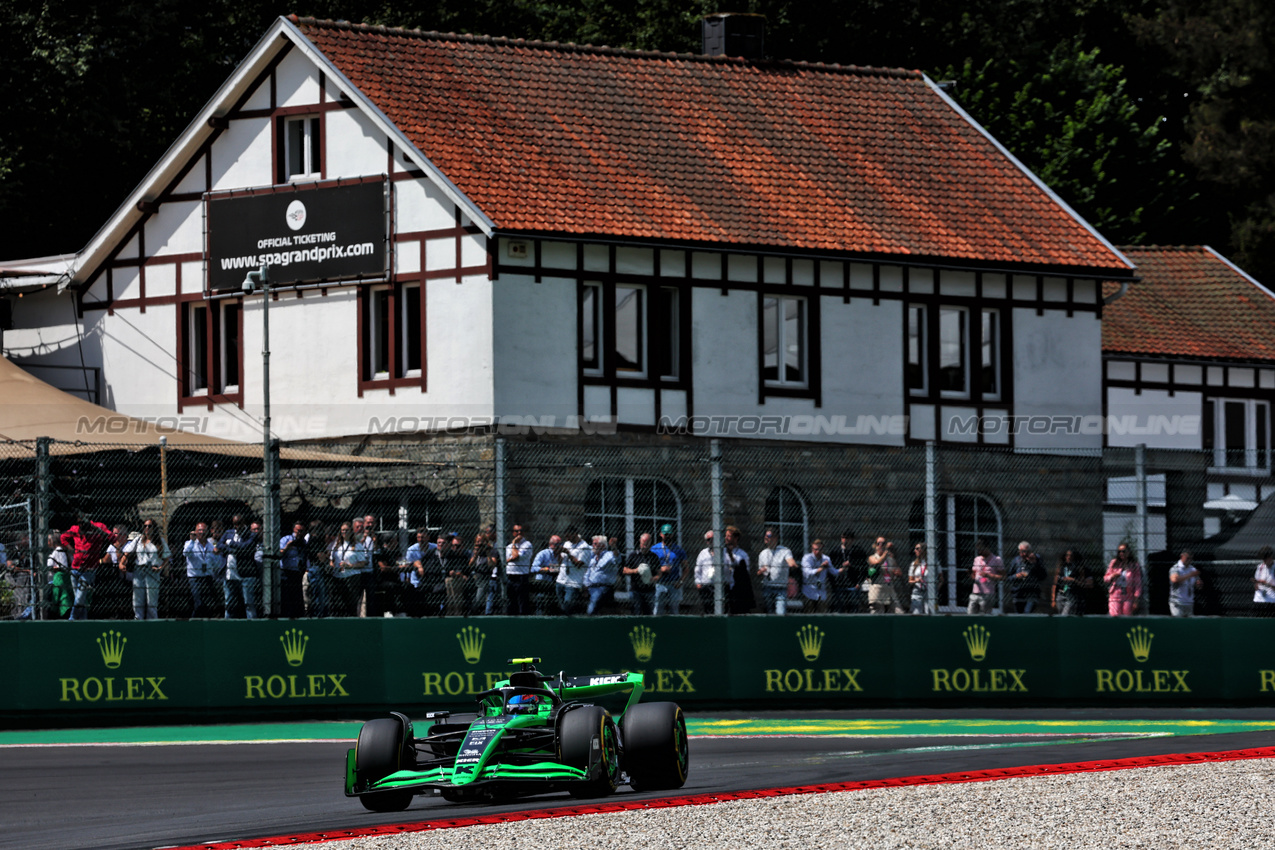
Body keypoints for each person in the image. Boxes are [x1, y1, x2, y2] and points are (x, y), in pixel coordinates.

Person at [61, 513, 112, 621]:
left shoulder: (98, 527)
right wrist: (72, 550)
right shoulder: (75, 529)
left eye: (83, 523)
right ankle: (84, 620)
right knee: (80, 600)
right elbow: (63, 537)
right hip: (75, 569)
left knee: (79, 599)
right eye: (79, 523)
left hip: (88, 571)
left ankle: (72, 619)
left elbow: (111, 537)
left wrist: (95, 528)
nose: (80, 525)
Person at [123, 520, 168, 620]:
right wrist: (122, 562)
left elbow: (167, 557)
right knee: (138, 599)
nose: (147, 528)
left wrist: (160, 568)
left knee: (151, 600)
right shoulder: (139, 539)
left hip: (152, 571)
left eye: (150, 526)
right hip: (139, 569)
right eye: (145, 526)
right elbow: (127, 551)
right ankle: (138, 619)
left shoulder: (159, 541)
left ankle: (152, 621)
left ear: (154, 528)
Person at [757, 528, 798, 615]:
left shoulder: (784, 551)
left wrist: (792, 564)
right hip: (767, 587)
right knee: (769, 613)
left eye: (769, 536)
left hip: (781, 588)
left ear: (775, 538)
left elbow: (790, 561)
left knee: (780, 613)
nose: (766, 538)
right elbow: (759, 572)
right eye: (765, 536)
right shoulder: (762, 553)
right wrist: (761, 571)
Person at [330, 522, 368, 617]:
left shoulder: (357, 545)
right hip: (338, 577)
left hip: (352, 577)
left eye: (347, 530)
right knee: (339, 604)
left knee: (351, 604)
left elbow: (362, 563)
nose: (344, 532)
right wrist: (333, 566)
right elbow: (331, 560)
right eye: (343, 530)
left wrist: (350, 566)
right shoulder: (336, 545)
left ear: (351, 532)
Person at [182, 522, 217, 619]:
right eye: (199, 530)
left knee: (208, 603)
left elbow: (215, 558)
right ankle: (194, 622)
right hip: (195, 578)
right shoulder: (189, 543)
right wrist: (192, 541)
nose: (201, 532)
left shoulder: (211, 545)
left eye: (204, 530)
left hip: (208, 577)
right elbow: (186, 553)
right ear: (195, 532)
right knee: (198, 603)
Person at [650, 524, 686, 616]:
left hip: (673, 583)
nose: (667, 536)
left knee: (674, 610)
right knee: (658, 610)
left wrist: (681, 581)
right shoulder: (655, 549)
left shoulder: (678, 550)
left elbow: (686, 568)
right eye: (665, 534)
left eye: (669, 534)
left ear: (672, 535)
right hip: (660, 583)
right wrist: (660, 569)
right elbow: (649, 566)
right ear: (661, 534)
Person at [219, 516, 251, 619]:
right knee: (229, 602)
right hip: (229, 573)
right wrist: (232, 550)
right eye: (235, 524)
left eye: (238, 524)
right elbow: (219, 545)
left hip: (244, 573)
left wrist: (229, 543)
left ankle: (251, 624)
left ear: (244, 523)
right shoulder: (229, 533)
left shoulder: (250, 534)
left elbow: (245, 547)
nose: (236, 527)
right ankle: (228, 623)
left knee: (248, 603)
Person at [827, 530, 865, 613]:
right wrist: (833, 584)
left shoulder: (858, 551)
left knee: (853, 610)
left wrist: (859, 583)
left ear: (852, 539)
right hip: (839, 585)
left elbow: (864, 568)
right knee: (838, 609)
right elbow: (830, 569)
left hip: (853, 585)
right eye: (843, 537)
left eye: (847, 538)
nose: (844, 540)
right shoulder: (835, 551)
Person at [279, 520, 310, 619]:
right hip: (286, 572)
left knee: (298, 596)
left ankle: (298, 616)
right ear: (294, 530)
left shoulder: (303, 542)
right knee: (287, 596)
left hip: (297, 572)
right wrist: (287, 547)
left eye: (302, 531)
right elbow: (279, 554)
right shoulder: (286, 539)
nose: (300, 533)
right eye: (298, 531)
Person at [622, 533, 657, 615]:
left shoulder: (653, 557)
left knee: (649, 614)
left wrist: (655, 578)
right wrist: (635, 571)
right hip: (636, 590)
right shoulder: (633, 555)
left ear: (650, 543)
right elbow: (624, 570)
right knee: (635, 613)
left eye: (647, 543)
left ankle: (647, 628)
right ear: (640, 542)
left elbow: (659, 572)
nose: (645, 545)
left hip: (650, 591)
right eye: (643, 543)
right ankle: (635, 627)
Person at [1104, 543, 1143, 617]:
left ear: (1128, 552)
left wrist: (1136, 599)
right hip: (1115, 594)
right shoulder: (1114, 563)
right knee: (1115, 615)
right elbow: (1106, 578)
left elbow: (1138, 583)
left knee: (1127, 616)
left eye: (1123, 551)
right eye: (1119, 551)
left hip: (1128, 594)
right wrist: (1113, 576)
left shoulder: (1134, 565)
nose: (1121, 553)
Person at [1007, 541, 1047, 614]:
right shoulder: (1016, 560)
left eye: (1026, 552)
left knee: (1027, 613)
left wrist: (1035, 563)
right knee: (1019, 615)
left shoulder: (1037, 559)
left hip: (1032, 593)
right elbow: (1008, 577)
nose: (1024, 554)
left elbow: (1043, 576)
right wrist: (1016, 576)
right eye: (1022, 552)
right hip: (1018, 593)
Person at [583, 535, 619, 615]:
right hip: (590, 587)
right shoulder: (593, 558)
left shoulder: (608, 555)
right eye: (593, 543)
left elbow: (617, 558)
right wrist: (585, 585)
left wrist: (613, 546)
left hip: (602, 587)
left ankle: (590, 621)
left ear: (602, 545)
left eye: (595, 544)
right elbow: (588, 573)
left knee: (591, 610)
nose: (593, 545)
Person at [800, 539, 838, 613]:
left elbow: (834, 572)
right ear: (812, 549)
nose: (817, 552)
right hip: (809, 592)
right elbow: (807, 573)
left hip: (821, 593)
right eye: (815, 549)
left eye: (820, 549)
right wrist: (821, 568)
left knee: (822, 615)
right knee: (809, 615)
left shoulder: (826, 558)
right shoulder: (807, 558)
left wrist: (843, 568)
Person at [967, 540, 1003, 615]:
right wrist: (970, 574)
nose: (979, 552)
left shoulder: (997, 560)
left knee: (984, 616)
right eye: (978, 550)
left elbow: (1003, 576)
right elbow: (974, 576)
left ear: (987, 548)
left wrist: (988, 575)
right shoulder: (977, 559)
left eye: (981, 549)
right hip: (975, 592)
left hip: (987, 593)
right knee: (970, 614)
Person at [504, 523, 534, 615]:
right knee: (511, 601)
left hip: (521, 577)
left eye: (521, 531)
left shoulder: (527, 545)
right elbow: (507, 560)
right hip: (510, 576)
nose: (519, 533)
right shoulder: (508, 546)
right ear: (513, 533)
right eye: (516, 531)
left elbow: (515, 556)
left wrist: (513, 544)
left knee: (522, 602)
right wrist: (512, 556)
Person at [724, 526, 754, 615]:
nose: (726, 538)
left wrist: (731, 556)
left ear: (736, 538)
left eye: (729, 536)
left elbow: (745, 573)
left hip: (738, 590)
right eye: (726, 536)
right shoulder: (722, 552)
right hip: (725, 587)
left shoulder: (743, 555)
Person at [530, 534, 563, 615]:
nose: (559, 547)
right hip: (543, 583)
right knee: (541, 604)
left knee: (553, 606)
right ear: (551, 544)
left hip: (555, 583)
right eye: (557, 544)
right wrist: (547, 569)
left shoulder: (561, 555)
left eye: (560, 544)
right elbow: (533, 568)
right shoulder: (543, 554)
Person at [556, 531, 587, 615]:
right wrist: (558, 552)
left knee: (568, 606)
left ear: (575, 534)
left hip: (573, 582)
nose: (567, 539)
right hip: (561, 580)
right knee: (561, 607)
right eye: (566, 537)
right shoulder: (567, 543)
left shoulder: (584, 547)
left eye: (569, 536)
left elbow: (579, 564)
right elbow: (560, 561)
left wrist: (568, 553)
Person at [1051, 549, 1088, 616]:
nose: (1069, 557)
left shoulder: (1078, 568)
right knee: (1060, 614)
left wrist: (1073, 580)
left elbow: (1083, 584)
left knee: (1065, 615)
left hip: (1071, 594)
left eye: (1071, 555)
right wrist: (1053, 599)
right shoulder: (1061, 567)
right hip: (1061, 594)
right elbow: (1055, 584)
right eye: (1067, 555)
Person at [866, 536, 898, 614]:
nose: (881, 545)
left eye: (883, 544)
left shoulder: (890, 559)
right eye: (878, 543)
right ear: (875, 546)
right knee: (877, 613)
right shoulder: (872, 557)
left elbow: (897, 571)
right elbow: (877, 563)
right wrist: (885, 553)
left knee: (898, 611)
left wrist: (895, 573)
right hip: (877, 589)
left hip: (889, 589)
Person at [239, 520, 264, 619]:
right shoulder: (247, 542)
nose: (256, 531)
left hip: (264, 575)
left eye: (258, 529)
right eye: (254, 529)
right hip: (251, 575)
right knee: (249, 602)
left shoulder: (266, 542)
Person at [45, 530, 72, 619]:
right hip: (54, 581)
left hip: (57, 581)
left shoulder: (59, 550)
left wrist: (52, 568)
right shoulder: (57, 551)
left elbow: (63, 566)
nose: (47, 542)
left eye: (49, 540)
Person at [1168, 550, 1201, 618]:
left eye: (1191, 559)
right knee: (1178, 623)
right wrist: (1189, 575)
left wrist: (1199, 583)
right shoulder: (1175, 568)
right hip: (1177, 603)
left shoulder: (1192, 569)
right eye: (1187, 558)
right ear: (1182, 556)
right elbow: (1174, 579)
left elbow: (1198, 584)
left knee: (1189, 625)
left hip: (1189, 603)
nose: (1189, 560)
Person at [908, 542, 932, 615]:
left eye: (917, 549)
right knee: (916, 613)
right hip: (917, 591)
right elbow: (910, 580)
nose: (915, 550)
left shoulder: (933, 563)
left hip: (929, 591)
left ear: (924, 550)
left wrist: (935, 589)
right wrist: (916, 580)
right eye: (915, 549)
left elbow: (941, 579)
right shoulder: (914, 564)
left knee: (929, 613)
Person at [1253, 546, 1275, 617]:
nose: (1264, 562)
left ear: (1271, 557)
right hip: (1259, 600)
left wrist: (1266, 584)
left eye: (1266, 559)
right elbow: (1256, 584)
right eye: (1263, 559)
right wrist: (1257, 584)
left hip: (1272, 601)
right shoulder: (1260, 567)